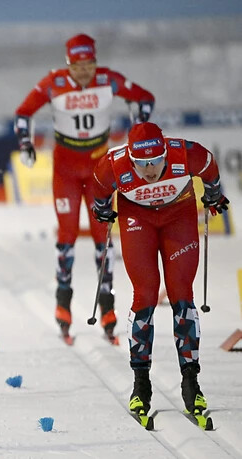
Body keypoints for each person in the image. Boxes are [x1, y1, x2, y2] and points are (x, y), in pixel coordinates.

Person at [13, 33, 155, 345]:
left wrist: (138, 131)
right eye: (77, 67)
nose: (83, 73)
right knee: (66, 236)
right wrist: (25, 144)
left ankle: (107, 309)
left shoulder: (109, 80)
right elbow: (23, 113)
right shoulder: (54, 82)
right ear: (68, 64)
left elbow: (145, 98)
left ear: (95, 62)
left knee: (102, 236)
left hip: (99, 170)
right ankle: (63, 305)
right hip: (65, 170)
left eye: (88, 65)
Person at [91, 121, 229, 428]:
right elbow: (98, 191)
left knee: (182, 293)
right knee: (146, 294)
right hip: (137, 218)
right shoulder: (113, 165)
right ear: (131, 158)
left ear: (166, 152)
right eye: (142, 164)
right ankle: (141, 384)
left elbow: (209, 166)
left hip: (178, 214)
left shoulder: (186, 154)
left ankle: (191, 382)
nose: (150, 170)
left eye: (155, 161)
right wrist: (102, 209)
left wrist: (214, 193)